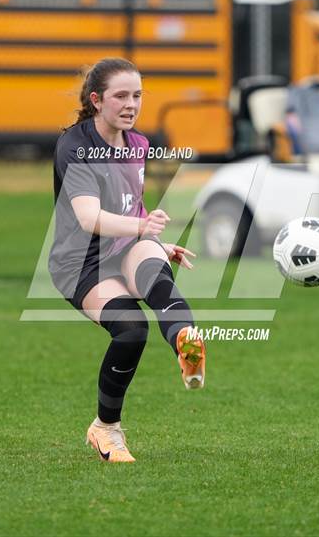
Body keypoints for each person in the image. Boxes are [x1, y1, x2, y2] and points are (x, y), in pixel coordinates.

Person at [48, 58, 206, 463]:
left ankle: (187, 342)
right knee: (132, 330)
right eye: (121, 96)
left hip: (123, 246)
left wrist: (157, 241)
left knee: (157, 274)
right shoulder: (75, 147)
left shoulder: (137, 144)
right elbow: (89, 218)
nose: (131, 104)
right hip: (80, 264)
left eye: (137, 95)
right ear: (97, 100)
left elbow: (132, 206)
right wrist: (142, 228)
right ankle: (106, 429)